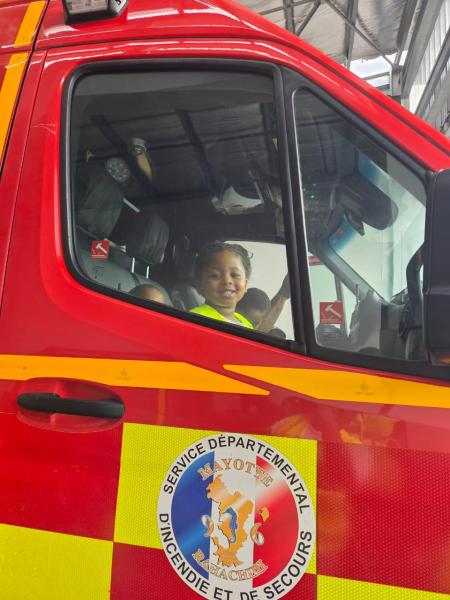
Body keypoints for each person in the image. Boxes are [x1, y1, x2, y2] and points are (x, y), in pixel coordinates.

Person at [190, 242, 253, 328]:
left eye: (234, 274)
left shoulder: (246, 323)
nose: (227, 281)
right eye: (215, 276)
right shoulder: (197, 318)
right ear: (199, 285)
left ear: (245, 285)